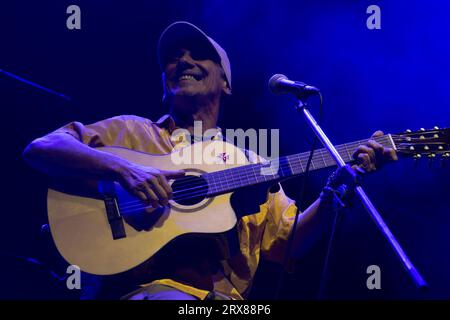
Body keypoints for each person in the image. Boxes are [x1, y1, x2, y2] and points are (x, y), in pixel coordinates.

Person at [22, 21, 397, 300]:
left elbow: (287, 245)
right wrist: (125, 170)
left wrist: (337, 190)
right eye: (173, 57)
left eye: (197, 53)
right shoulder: (130, 132)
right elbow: (41, 149)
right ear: (163, 82)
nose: (182, 59)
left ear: (226, 83)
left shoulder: (248, 163)